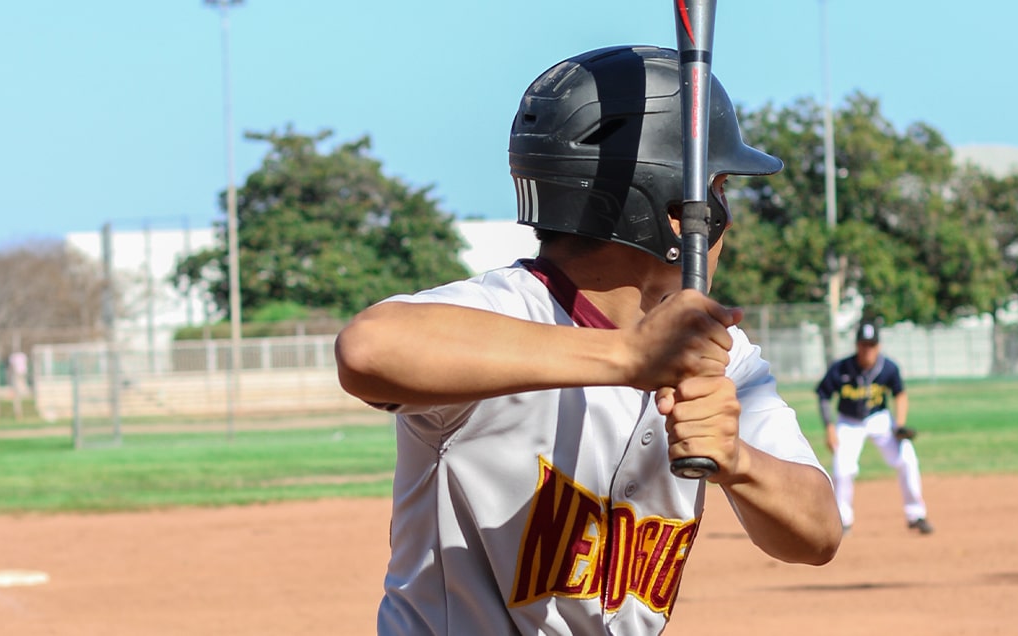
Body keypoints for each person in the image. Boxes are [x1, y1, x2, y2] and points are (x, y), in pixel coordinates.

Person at [335, 45, 841, 635]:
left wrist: (739, 462)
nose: (725, 211)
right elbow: (367, 350)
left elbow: (819, 532)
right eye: (719, 187)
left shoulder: (721, 358)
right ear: (672, 210)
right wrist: (627, 357)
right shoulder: (505, 312)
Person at [815, 320, 933, 535]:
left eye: (872, 345)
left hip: (879, 419)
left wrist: (899, 424)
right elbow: (823, 394)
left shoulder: (888, 368)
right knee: (842, 468)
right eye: (864, 344)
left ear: (878, 346)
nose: (867, 349)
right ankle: (843, 520)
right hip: (848, 421)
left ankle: (916, 514)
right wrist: (829, 427)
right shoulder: (841, 368)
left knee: (907, 459)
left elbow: (900, 394)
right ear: (857, 345)